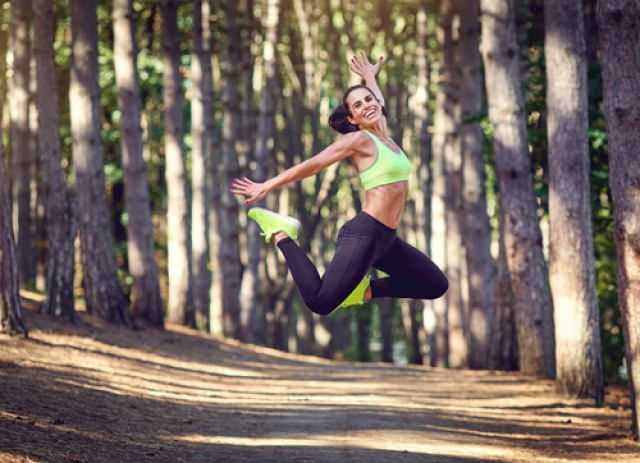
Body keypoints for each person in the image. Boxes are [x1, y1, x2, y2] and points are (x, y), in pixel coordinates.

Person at [231, 52, 448, 315]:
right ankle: (281, 233)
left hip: (387, 240)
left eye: (368, 99)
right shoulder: (360, 140)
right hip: (365, 233)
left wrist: (369, 77)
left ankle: (364, 291)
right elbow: (314, 164)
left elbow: (377, 103)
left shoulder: (385, 138)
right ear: (353, 120)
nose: (367, 104)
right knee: (320, 301)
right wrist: (268, 185)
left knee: (434, 284)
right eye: (357, 106)